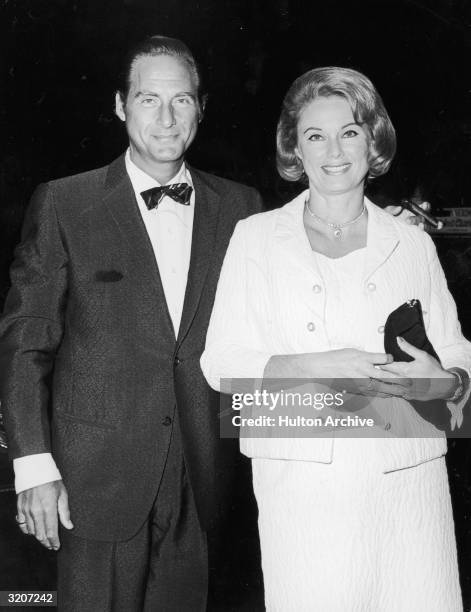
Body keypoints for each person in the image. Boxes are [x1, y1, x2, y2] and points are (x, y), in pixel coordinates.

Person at [0, 35, 263, 611]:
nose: (167, 119)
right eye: (149, 100)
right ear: (121, 105)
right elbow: (27, 342)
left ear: (201, 106)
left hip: (207, 477)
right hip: (94, 481)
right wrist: (33, 466)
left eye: (182, 101)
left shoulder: (243, 207)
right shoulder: (65, 203)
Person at [201, 66, 471, 611]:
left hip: (407, 484)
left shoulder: (411, 244)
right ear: (294, 150)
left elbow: (458, 355)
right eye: (314, 136)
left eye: (349, 131)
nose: (334, 151)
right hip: (304, 491)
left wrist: (444, 381)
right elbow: (221, 360)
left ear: (373, 141)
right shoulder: (255, 238)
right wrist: (327, 363)